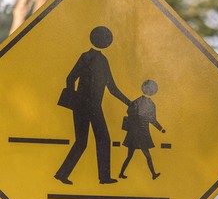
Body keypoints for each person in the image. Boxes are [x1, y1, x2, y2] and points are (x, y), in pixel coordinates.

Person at [55, 26, 131, 185]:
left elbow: (111, 88)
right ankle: (98, 177)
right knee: (95, 140)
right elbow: (70, 78)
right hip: (86, 107)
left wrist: (129, 103)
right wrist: (75, 99)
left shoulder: (101, 60)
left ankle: (65, 174)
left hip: (92, 107)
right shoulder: (87, 57)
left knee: (89, 141)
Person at [119, 80, 165, 180]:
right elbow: (152, 120)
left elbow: (129, 111)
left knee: (130, 156)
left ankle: (121, 173)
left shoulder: (138, 101)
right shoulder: (150, 104)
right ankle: (153, 174)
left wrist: (160, 128)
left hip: (134, 133)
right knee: (146, 155)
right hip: (141, 134)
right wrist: (160, 129)